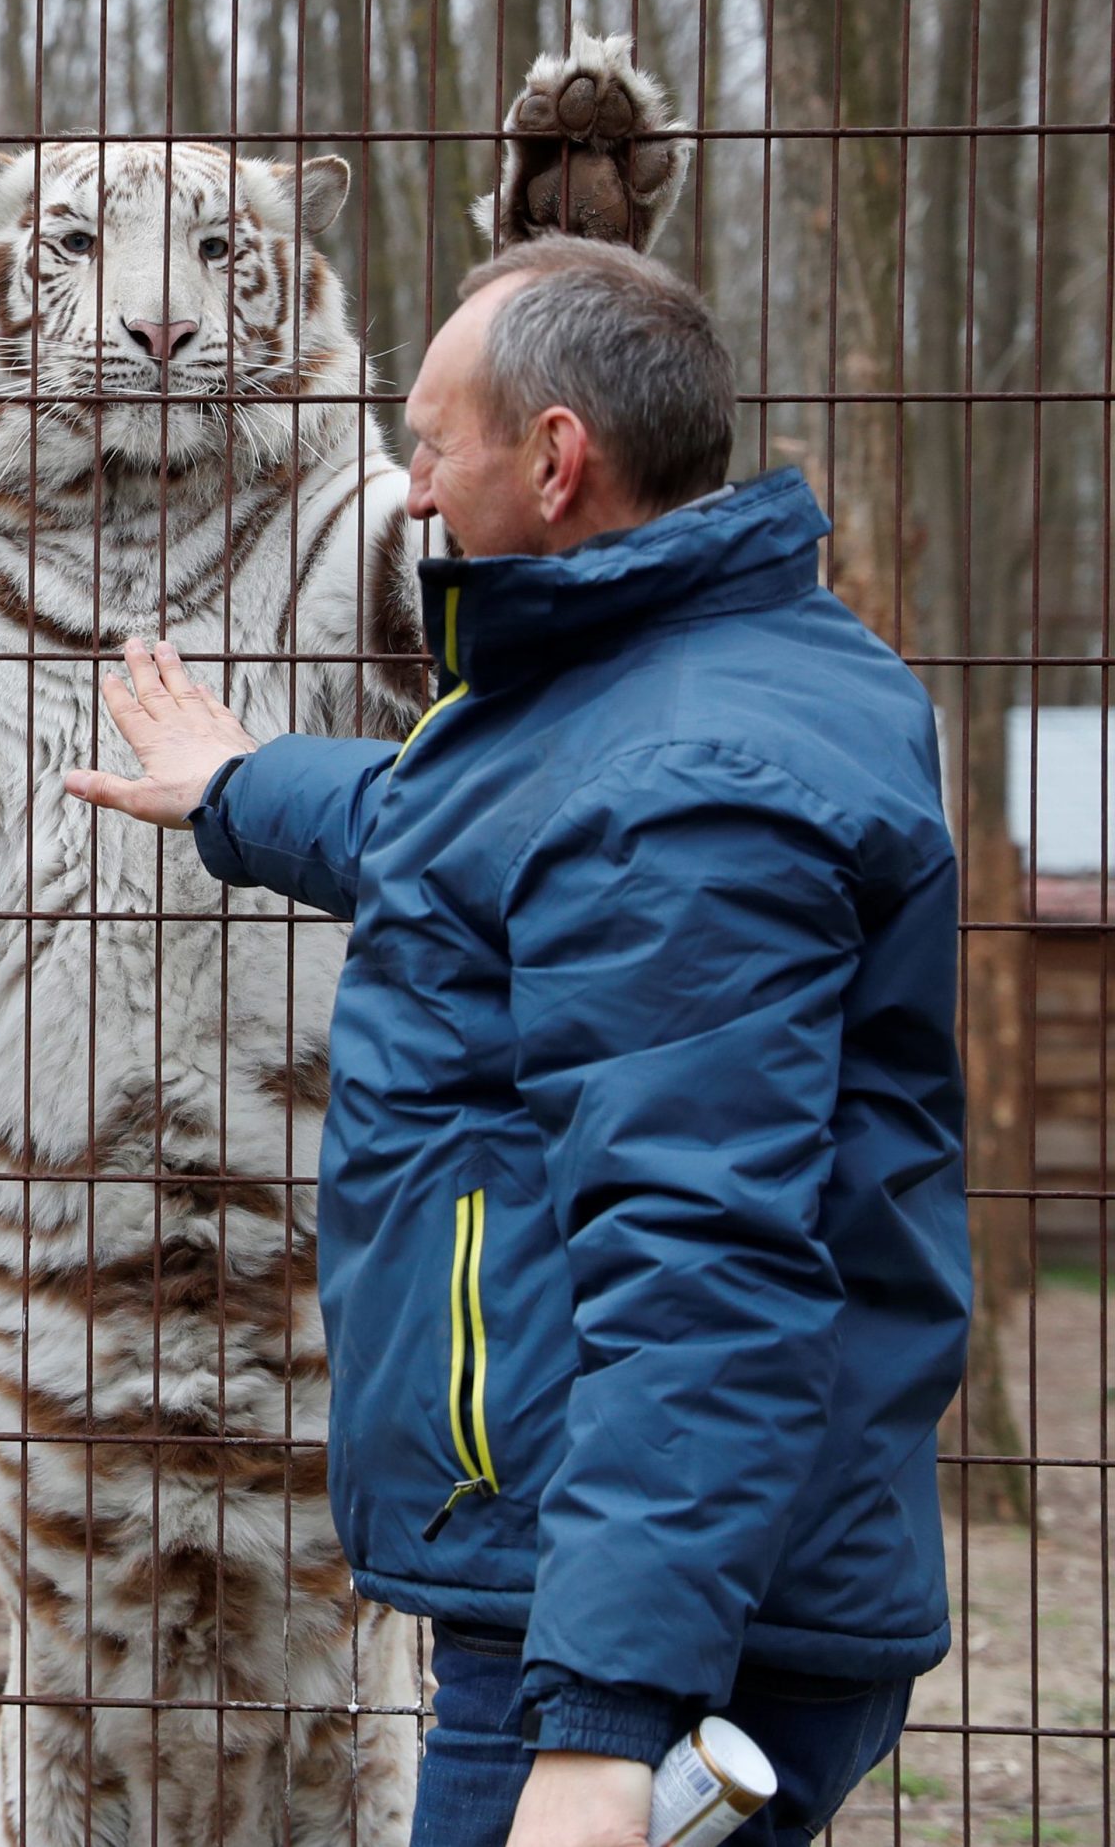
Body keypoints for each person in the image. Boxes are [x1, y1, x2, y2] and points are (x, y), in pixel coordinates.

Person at [63, 237, 971, 1847]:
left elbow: (703, 1258)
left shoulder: (686, 786)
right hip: (665, 1570)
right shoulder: (707, 681)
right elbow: (474, 833)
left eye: (429, 442)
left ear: (556, 460)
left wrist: (609, 1723)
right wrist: (240, 785)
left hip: (631, 1617)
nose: (409, 492)